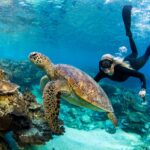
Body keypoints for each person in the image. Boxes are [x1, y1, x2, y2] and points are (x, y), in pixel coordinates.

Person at [94, 5, 150, 105]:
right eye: (103, 64)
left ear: (112, 63)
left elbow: (141, 75)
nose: (105, 67)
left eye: (107, 63)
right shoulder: (102, 72)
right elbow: (93, 83)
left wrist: (143, 89)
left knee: (146, 55)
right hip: (126, 60)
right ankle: (130, 35)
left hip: (133, 64)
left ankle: (132, 37)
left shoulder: (120, 69)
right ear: (100, 64)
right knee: (134, 53)